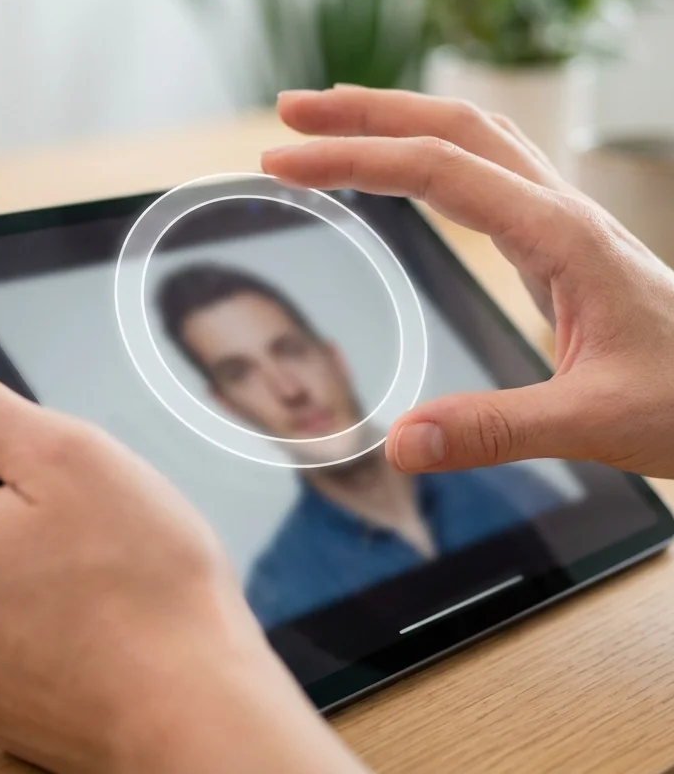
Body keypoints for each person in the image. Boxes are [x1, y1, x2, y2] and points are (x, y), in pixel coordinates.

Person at [0, 86, 674, 773]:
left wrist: (169, 712)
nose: (282, 384)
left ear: (332, 350)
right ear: (220, 404)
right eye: (237, 371)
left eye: (288, 346)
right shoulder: (265, 588)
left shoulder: (523, 488)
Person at [154, 263, 563, 628]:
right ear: (228, 406)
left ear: (334, 359)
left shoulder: (512, 485)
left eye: (291, 351)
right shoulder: (280, 595)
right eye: (240, 373)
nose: (289, 390)